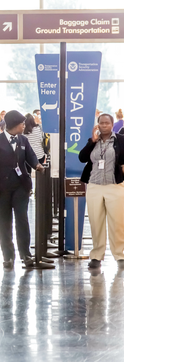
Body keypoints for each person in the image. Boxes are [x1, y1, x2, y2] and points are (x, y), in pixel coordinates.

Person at [0, 110, 44, 269]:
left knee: (22, 220)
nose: (24, 125)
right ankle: (8, 256)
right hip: (2, 188)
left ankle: (26, 254)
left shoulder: (23, 140)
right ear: (14, 125)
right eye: (22, 124)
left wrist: (37, 165)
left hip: (21, 186)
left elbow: (31, 156)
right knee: (4, 222)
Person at [79, 113, 124, 270]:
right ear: (97, 125)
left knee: (117, 222)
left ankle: (120, 255)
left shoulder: (120, 140)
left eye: (107, 123)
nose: (104, 125)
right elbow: (82, 158)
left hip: (114, 186)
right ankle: (97, 256)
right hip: (94, 185)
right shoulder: (93, 141)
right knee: (95, 221)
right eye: (101, 123)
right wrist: (92, 141)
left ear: (112, 124)